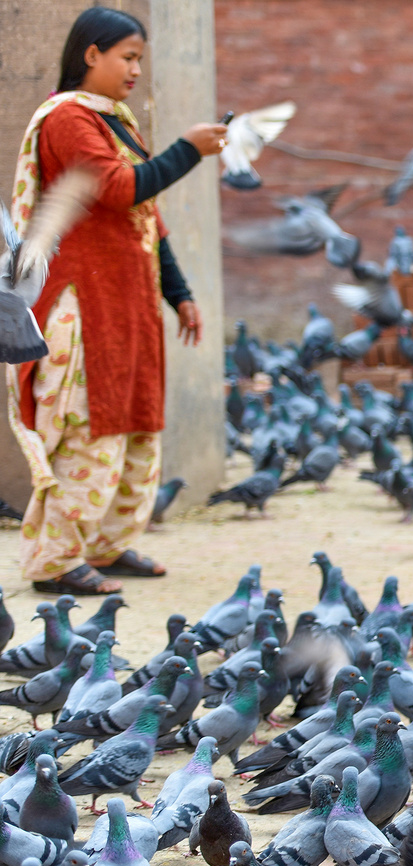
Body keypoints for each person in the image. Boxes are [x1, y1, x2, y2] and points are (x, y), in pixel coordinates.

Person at [6, 8, 226, 595]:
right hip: (82, 306)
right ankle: (55, 562)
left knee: (131, 425)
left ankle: (104, 545)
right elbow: (121, 188)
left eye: (139, 60)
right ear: (91, 55)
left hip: (126, 305)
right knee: (88, 428)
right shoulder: (67, 120)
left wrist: (178, 293)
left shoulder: (115, 122)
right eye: (127, 57)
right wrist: (189, 149)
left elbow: (144, 217)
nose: (135, 70)